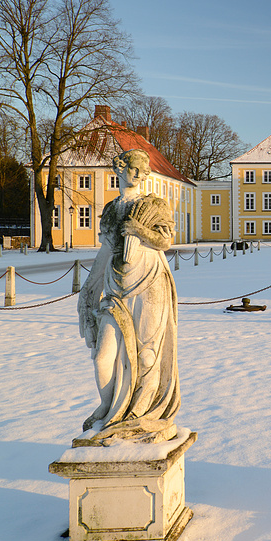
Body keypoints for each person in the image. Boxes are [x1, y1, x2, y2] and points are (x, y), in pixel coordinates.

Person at [76, 149, 180, 445]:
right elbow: (106, 252)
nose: (140, 175)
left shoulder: (155, 205)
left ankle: (141, 417)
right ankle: (110, 409)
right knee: (102, 358)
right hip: (116, 288)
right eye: (135, 168)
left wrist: (138, 230)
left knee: (147, 357)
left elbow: (165, 241)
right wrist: (88, 291)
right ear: (120, 168)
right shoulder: (110, 210)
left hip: (149, 284)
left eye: (144, 171)